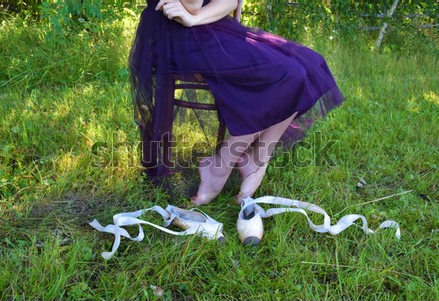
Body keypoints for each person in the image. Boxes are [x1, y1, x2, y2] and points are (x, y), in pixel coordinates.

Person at [129, 0, 344, 207]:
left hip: (206, 25)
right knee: (291, 74)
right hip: (172, 34)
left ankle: (256, 158)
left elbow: (228, 3)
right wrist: (192, 18)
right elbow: (191, 6)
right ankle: (222, 166)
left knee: (308, 65)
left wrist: (195, 19)